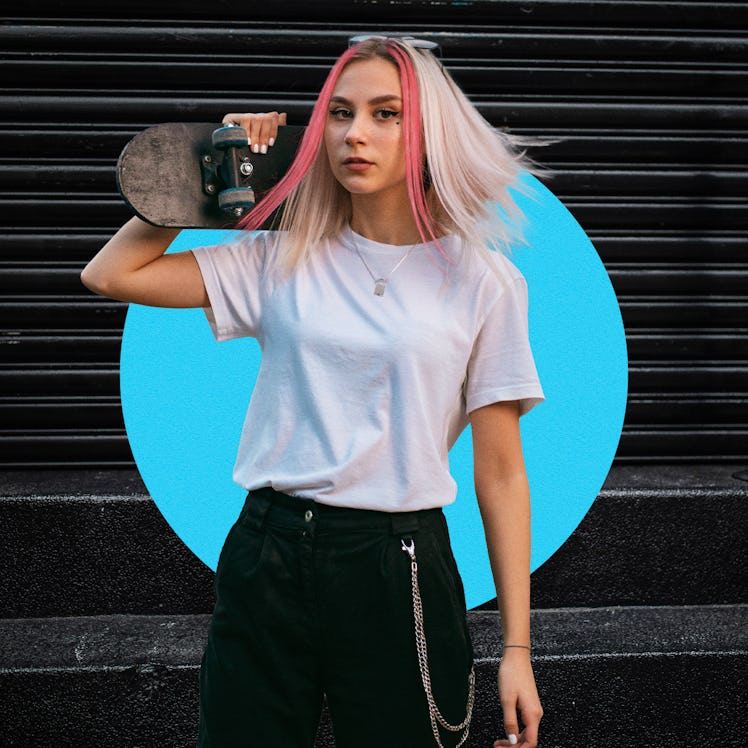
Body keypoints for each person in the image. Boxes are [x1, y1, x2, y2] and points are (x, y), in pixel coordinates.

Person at [82, 35, 544, 748]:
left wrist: (518, 650)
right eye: (340, 113)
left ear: (428, 134)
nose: (356, 133)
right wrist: (206, 167)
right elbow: (111, 276)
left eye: (387, 114)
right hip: (266, 549)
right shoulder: (280, 258)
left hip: (397, 562)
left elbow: (504, 473)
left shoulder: (484, 282)